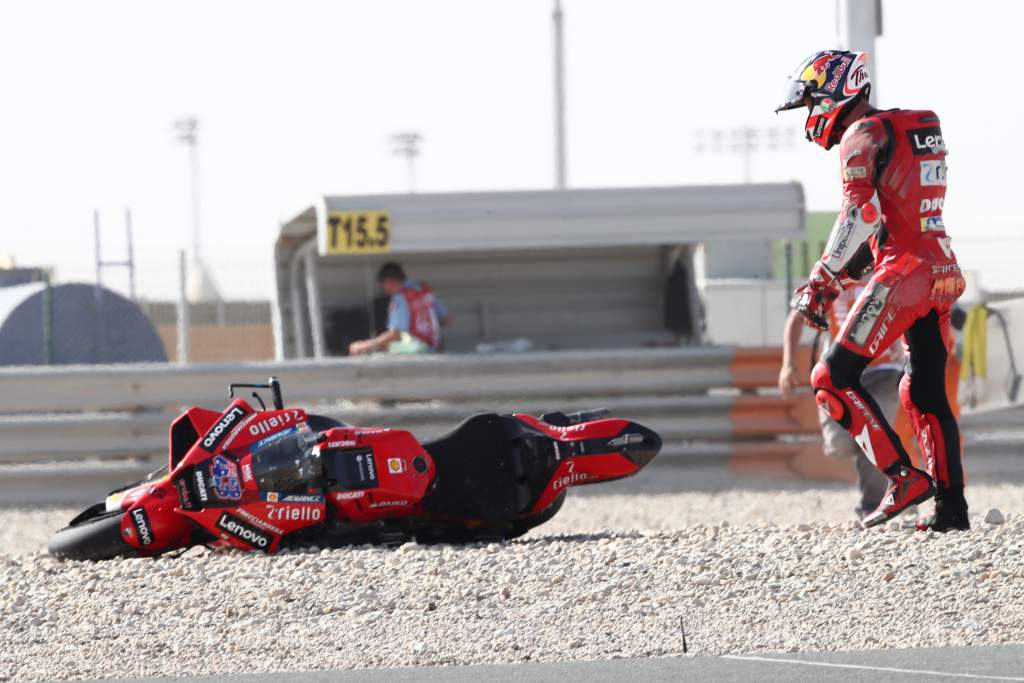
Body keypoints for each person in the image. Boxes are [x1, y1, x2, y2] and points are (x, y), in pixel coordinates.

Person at [775, 50, 968, 530]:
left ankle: (902, 477)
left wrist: (820, 279)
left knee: (831, 377)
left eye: (812, 103)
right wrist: (838, 278)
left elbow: (860, 217)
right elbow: (893, 221)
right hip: (941, 267)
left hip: (904, 273)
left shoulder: (860, 136)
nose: (811, 118)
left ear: (838, 91)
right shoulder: (913, 125)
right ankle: (952, 512)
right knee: (924, 393)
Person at [780, 274, 912, 518]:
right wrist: (788, 363)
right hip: (837, 372)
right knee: (838, 444)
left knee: (872, 435)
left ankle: (872, 505)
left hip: (883, 369)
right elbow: (797, 316)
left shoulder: (891, 268)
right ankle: (882, 471)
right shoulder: (830, 273)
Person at [348, 262, 451, 355]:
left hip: (418, 353)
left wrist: (365, 346)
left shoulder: (400, 298)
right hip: (436, 349)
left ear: (389, 281)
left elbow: (395, 335)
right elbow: (447, 319)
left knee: (382, 351)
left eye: (383, 283)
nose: (384, 288)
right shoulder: (422, 290)